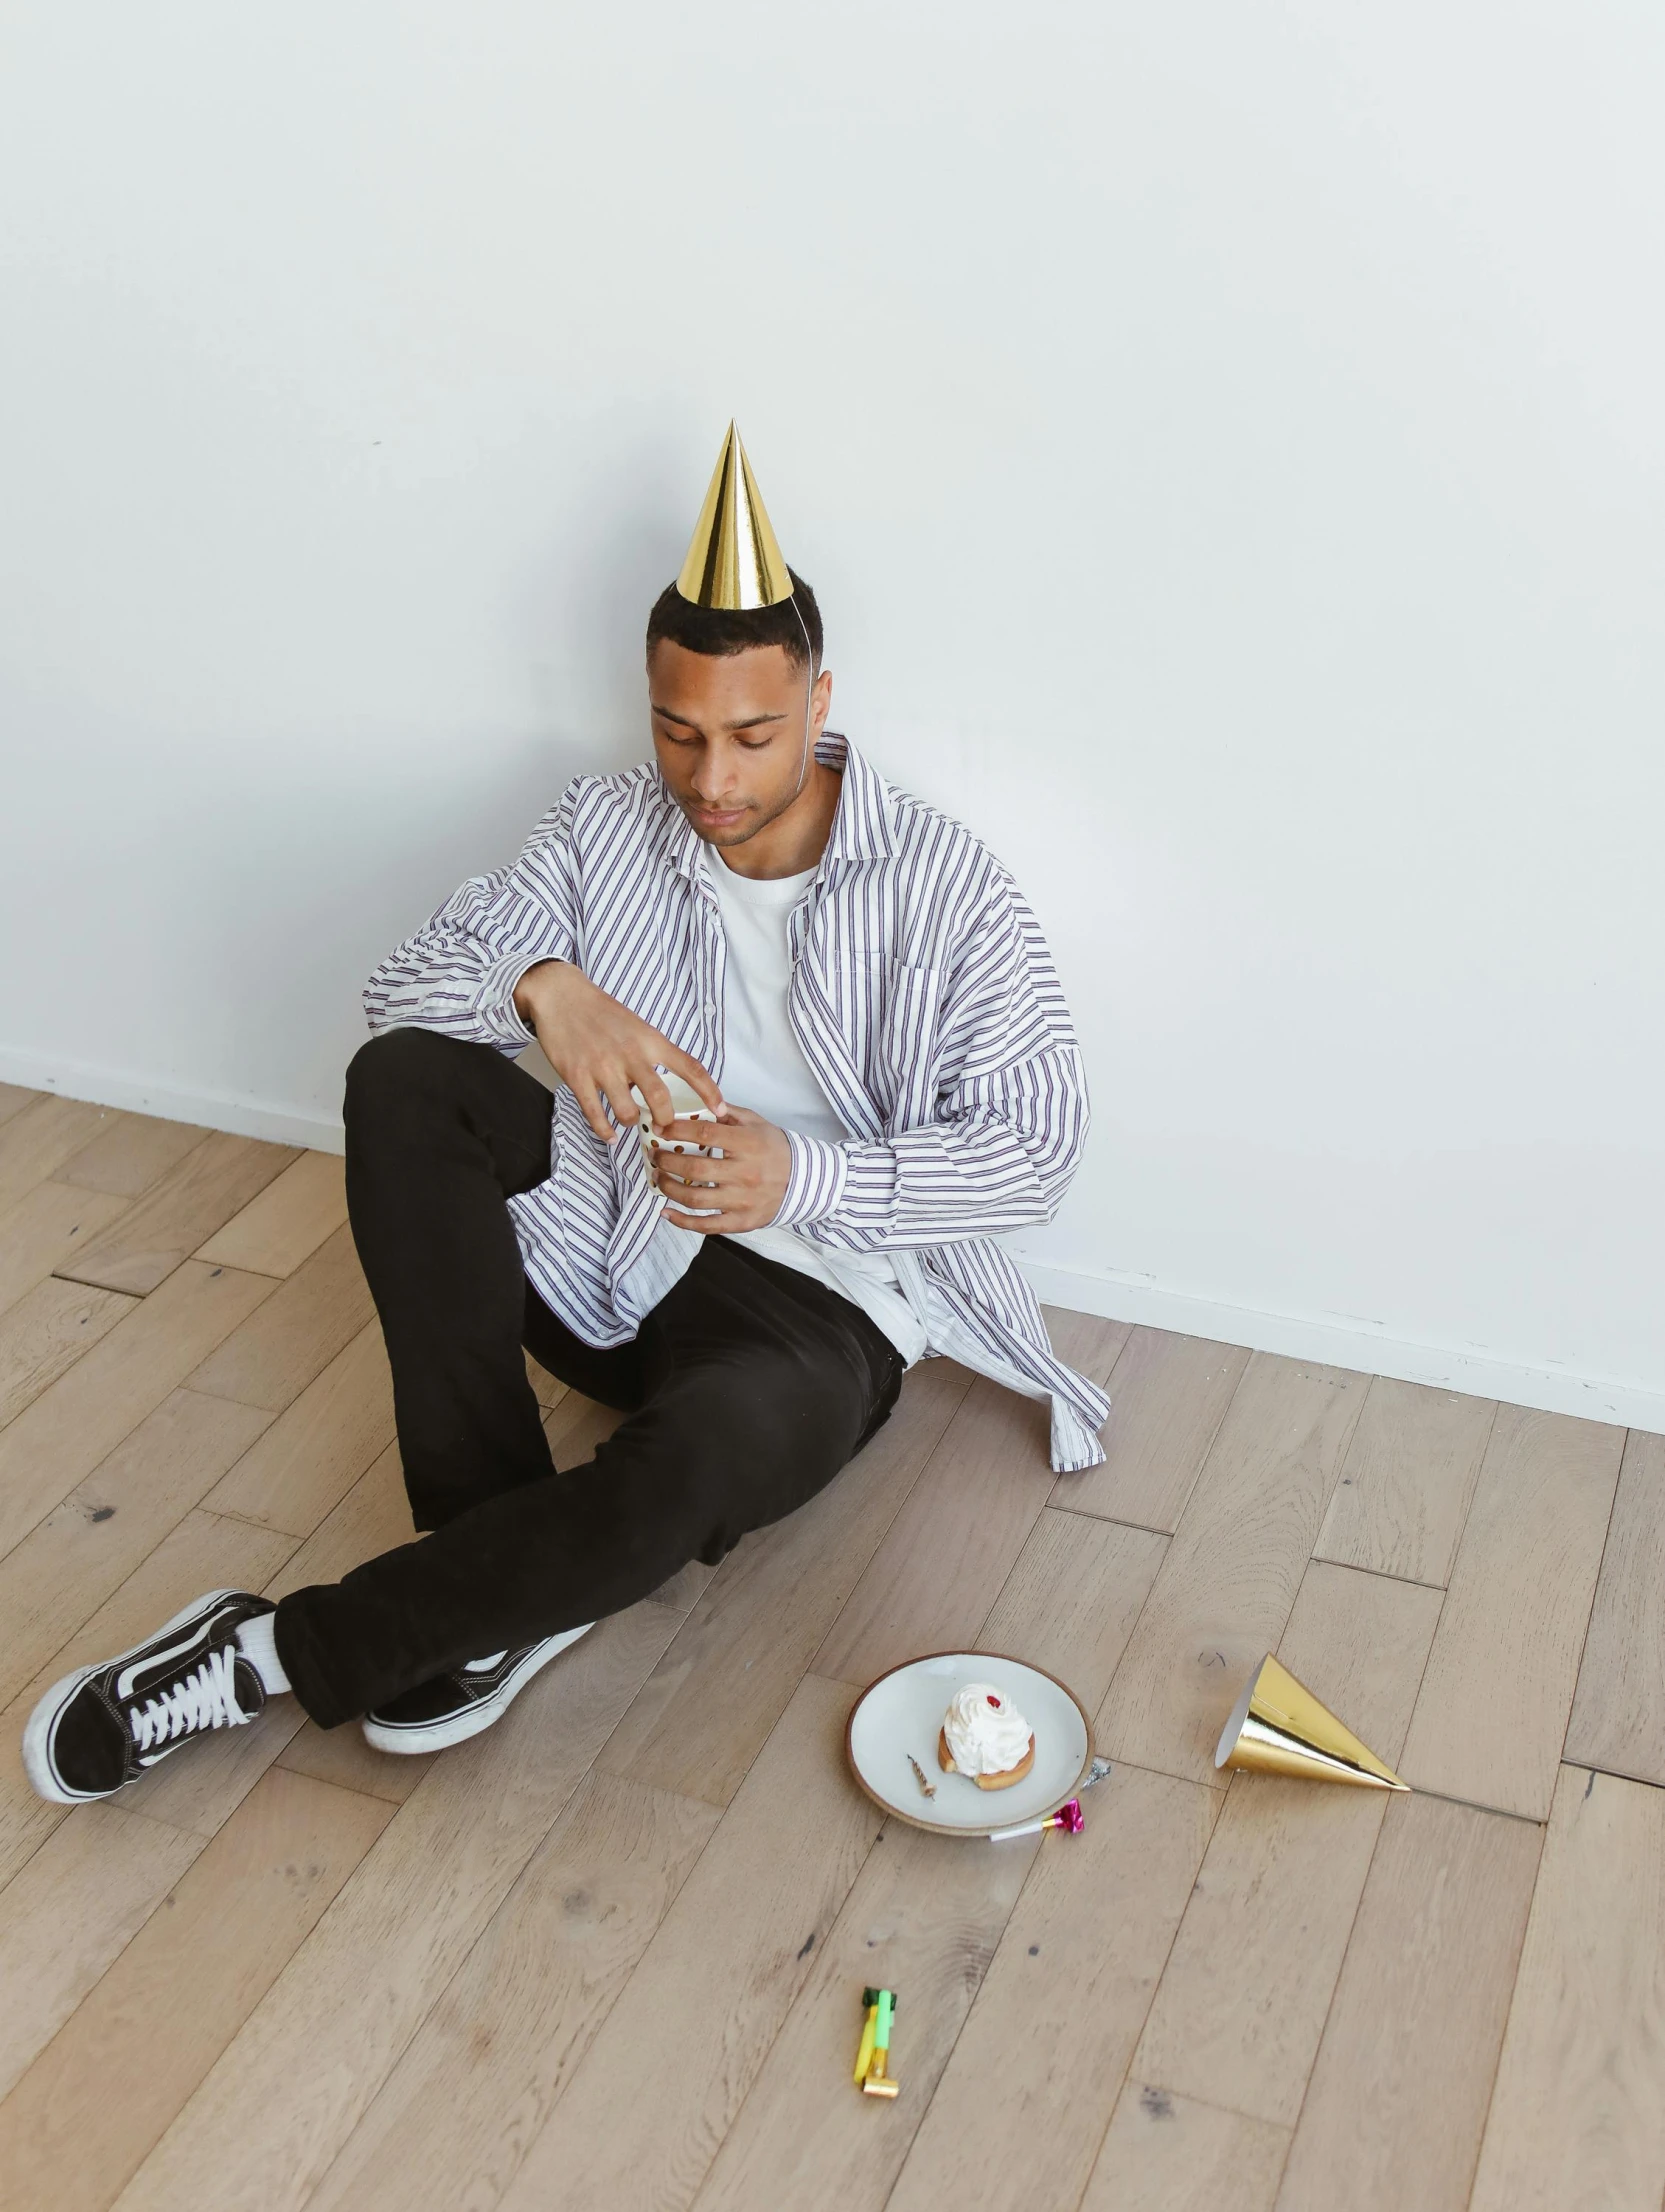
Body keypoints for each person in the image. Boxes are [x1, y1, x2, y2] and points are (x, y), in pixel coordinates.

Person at [22, 425, 1108, 1807]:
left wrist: (803, 1179)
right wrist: (541, 988)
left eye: (754, 736)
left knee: (686, 1474)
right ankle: (495, 1576)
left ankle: (268, 1655)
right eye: (678, 730)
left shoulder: (945, 889)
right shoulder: (604, 832)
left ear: (822, 701)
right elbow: (398, 992)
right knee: (403, 1083)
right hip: (614, 1236)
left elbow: (1039, 1152)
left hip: (824, 1312)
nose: (710, 779)